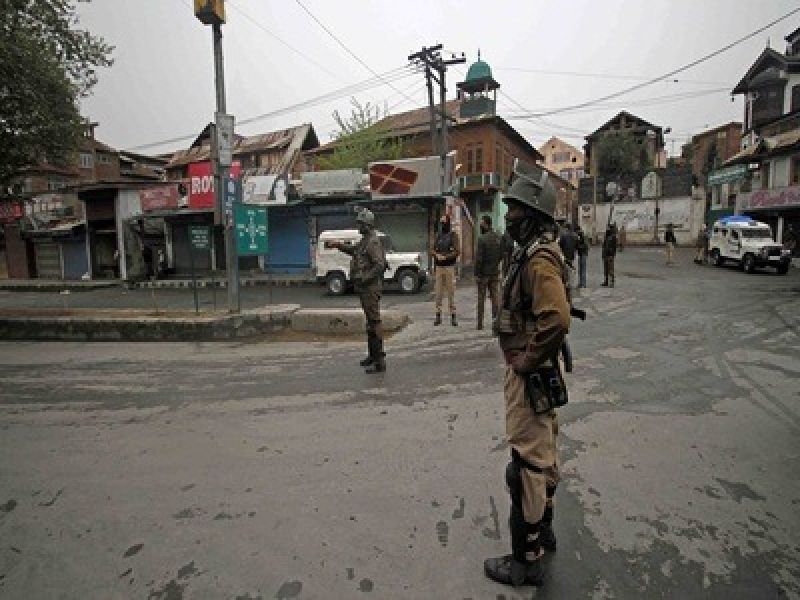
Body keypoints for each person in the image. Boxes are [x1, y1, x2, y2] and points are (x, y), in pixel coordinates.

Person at [484, 160, 571, 588]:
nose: (509, 215)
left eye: (515, 209)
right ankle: (544, 530)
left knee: (525, 467)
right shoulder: (534, 251)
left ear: (534, 214)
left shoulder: (538, 259)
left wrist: (527, 360)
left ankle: (526, 560)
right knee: (542, 455)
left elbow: (556, 318)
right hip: (539, 371)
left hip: (530, 374)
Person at [327, 208, 387, 373]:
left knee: (374, 322)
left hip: (370, 288)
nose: (358, 226)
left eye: (360, 224)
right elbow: (354, 250)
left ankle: (379, 361)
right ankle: (372, 356)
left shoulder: (372, 241)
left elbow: (379, 265)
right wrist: (339, 245)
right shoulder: (365, 240)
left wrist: (365, 278)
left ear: (367, 225)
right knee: (370, 323)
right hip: (365, 287)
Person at [475, 215, 504, 330]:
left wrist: (477, 274)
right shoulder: (498, 238)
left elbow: (479, 259)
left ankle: (480, 324)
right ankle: (495, 322)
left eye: (482, 224)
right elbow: (502, 254)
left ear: (486, 224)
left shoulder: (482, 239)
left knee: (481, 299)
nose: (480, 226)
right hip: (494, 272)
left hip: (483, 274)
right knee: (495, 298)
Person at [432, 214, 460, 326]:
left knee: (451, 292)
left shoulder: (453, 235)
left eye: (444, 222)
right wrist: (436, 255)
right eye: (441, 222)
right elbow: (432, 249)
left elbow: (457, 251)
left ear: (448, 222)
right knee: (438, 293)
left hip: (449, 267)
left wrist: (446, 257)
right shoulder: (438, 235)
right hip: (439, 267)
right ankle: (438, 315)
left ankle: (453, 315)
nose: (443, 224)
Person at [575, 224, 589, 289]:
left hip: (583, 255)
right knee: (580, 270)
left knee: (582, 270)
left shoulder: (582, 237)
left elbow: (585, 246)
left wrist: (578, 246)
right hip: (581, 254)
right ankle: (581, 283)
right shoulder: (580, 236)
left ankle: (583, 284)